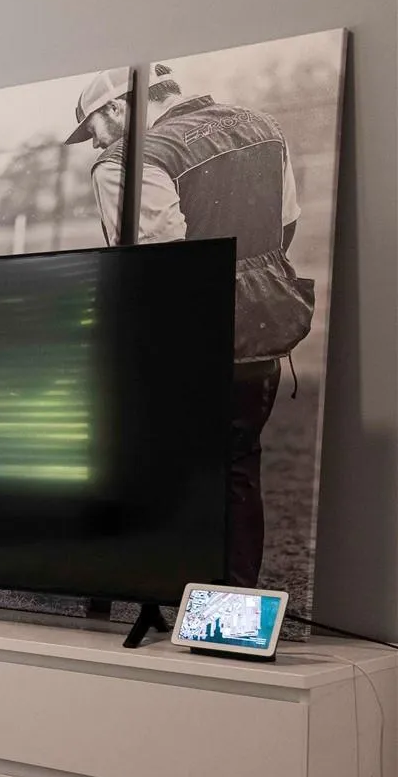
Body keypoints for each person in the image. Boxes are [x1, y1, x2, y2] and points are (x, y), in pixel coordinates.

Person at [65, 65, 314, 588]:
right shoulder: (262, 125)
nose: (96, 144)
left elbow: (157, 270)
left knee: (150, 467)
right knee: (238, 468)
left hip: (184, 343)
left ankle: (149, 592)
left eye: (94, 129)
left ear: (116, 109)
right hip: (262, 328)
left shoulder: (128, 162)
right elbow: (285, 225)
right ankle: (231, 602)